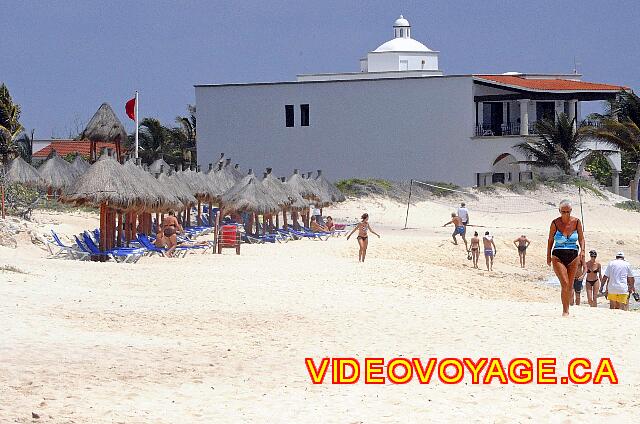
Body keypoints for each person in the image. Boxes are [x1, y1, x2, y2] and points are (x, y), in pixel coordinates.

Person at [546, 200, 585, 316]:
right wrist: (548, 255)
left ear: (571, 211)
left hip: (573, 255)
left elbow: (582, 239)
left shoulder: (577, 222)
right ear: (559, 211)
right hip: (558, 255)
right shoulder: (555, 223)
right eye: (563, 212)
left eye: (568, 212)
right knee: (565, 283)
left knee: (570, 284)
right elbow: (550, 240)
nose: (566, 214)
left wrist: (582, 251)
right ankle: (565, 311)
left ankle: (567, 308)